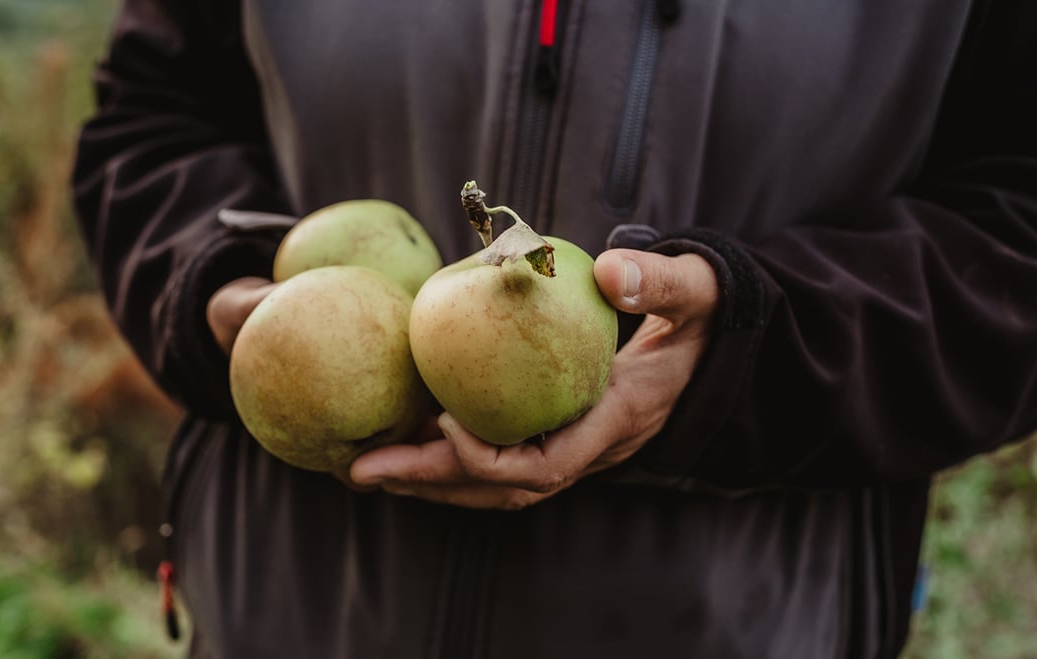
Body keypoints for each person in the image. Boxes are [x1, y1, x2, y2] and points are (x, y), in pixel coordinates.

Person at [70, 0, 1037, 656]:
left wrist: (757, 344)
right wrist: (216, 284)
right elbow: (152, 122)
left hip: (744, 619)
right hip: (287, 608)